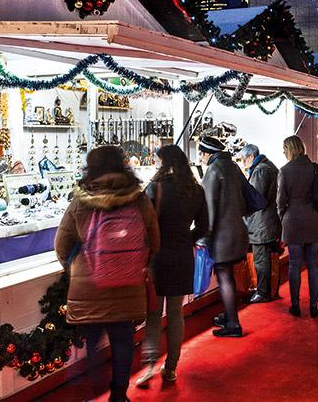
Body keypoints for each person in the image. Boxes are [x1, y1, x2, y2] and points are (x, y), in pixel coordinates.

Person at [54, 146, 160, 402]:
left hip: (90, 286)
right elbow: (154, 241)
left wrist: (76, 269)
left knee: (92, 340)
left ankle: (97, 390)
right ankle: (118, 395)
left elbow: (61, 245)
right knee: (123, 339)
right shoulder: (138, 198)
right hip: (128, 284)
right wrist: (137, 263)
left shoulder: (80, 201)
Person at [137, 145, 209, 388]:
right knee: (176, 313)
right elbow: (204, 225)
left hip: (157, 257)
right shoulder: (196, 190)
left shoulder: (154, 188)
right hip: (182, 256)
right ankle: (171, 368)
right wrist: (187, 239)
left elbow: (142, 223)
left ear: (165, 163)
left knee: (154, 314)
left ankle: (149, 366)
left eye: (158, 161)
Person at [198, 136, 250, 337]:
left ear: (207, 153)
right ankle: (228, 316)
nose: (200, 158)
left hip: (222, 235)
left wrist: (204, 237)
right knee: (229, 276)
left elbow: (208, 209)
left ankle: (234, 324)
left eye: (201, 154)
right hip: (238, 230)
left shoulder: (213, 171)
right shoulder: (233, 167)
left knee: (224, 277)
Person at [277, 135, 318, 318]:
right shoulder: (314, 168)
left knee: (294, 265)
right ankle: (314, 306)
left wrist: (283, 216)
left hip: (293, 220)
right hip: (312, 218)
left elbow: (281, 200)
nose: (283, 152)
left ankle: (295, 305)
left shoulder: (285, 171)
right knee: (313, 264)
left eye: (284, 148)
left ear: (290, 149)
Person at [239, 143, 282, 303]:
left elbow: (255, 197)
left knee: (261, 259)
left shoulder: (259, 171)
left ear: (251, 156)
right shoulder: (268, 166)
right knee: (269, 258)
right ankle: (270, 290)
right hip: (269, 220)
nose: (243, 164)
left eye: (244, 160)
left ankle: (263, 292)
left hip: (262, 223)